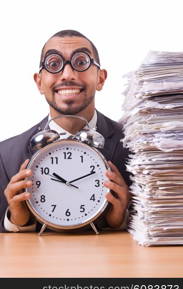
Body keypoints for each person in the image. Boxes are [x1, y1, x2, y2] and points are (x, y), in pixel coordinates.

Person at [0, 29, 130, 233]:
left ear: (101, 79)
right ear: (39, 82)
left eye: (81, 62)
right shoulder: (5, 156)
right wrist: (17, 220)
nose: (68, 75)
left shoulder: (137, 148)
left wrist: (121, 220)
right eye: (54, 64)